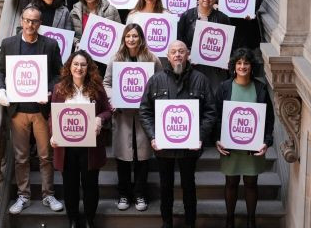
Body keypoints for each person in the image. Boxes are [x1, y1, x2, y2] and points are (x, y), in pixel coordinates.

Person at [0, 4, 65, 215]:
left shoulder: (50, 45)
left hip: (41, 110)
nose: (30, 24)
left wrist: (50, 91)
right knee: (21, 157)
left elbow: (59, 75)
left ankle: (48, 194)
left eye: (34, 21)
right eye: (27, 20)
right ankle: (23, 196)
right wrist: (1, 91)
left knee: (45, 156)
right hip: (18, 111)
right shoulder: (8, 44)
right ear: (21, 21)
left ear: (40, 23)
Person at [140, 40, 217, 228]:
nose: (177, 55)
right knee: (165, 187)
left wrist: (199, 135)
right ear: (167, 56)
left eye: (181, 51)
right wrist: (153, 136)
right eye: (173, 52)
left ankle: (191, 222)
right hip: (164, 148)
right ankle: (167, 222)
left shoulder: (200, 79)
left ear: (188, 54)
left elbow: (210, 111)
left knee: (189, 186)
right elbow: (145, 110)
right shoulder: (156, 80)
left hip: (189, 148)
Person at [102, 23, 163, 212]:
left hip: (144, 115)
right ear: (124, 38)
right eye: (128, 36)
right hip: (122, 115)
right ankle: (123, 194)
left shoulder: (152, 58)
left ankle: (140, 194)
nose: (131, 39)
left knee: (142, 157)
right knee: (123, 157)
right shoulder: (116, 58)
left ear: (141, 38)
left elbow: (161, 82)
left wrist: (153, 102)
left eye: (135, 36)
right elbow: (107, 83)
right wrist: (113, 98)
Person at [49, 50, 112, 228]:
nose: (79, 68)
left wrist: (100, 118)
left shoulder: (97, 88)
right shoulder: (59, 89)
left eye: (83, 65)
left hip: (90, 147)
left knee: (90, 185)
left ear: (88, 68)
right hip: (66, 147)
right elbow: (53, 117)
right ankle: (73, 220)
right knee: (70, 186)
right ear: (69, 67)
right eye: (76, 64)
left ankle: (90, 220)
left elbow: (107, 110)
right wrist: (54, 133)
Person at [214, 48, 274, 228]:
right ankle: (230, 219)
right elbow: (216, 116)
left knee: (251, 183)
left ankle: (250, 220)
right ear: (234, 66)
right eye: (239, 63)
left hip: (253, 147)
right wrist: (216, 139)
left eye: (246, 63)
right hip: (229, 146)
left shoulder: (260, 88)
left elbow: (269, 118)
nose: (242, 66)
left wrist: (267, 141)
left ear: (251, 66)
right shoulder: (224, 87)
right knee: (231, 182)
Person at [177, 0, 231, 89]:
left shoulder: (223, 18)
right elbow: (179, 41)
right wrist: (187, 55)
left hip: (215, 69)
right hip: (192, 66)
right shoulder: (186, 16)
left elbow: (229, 44)